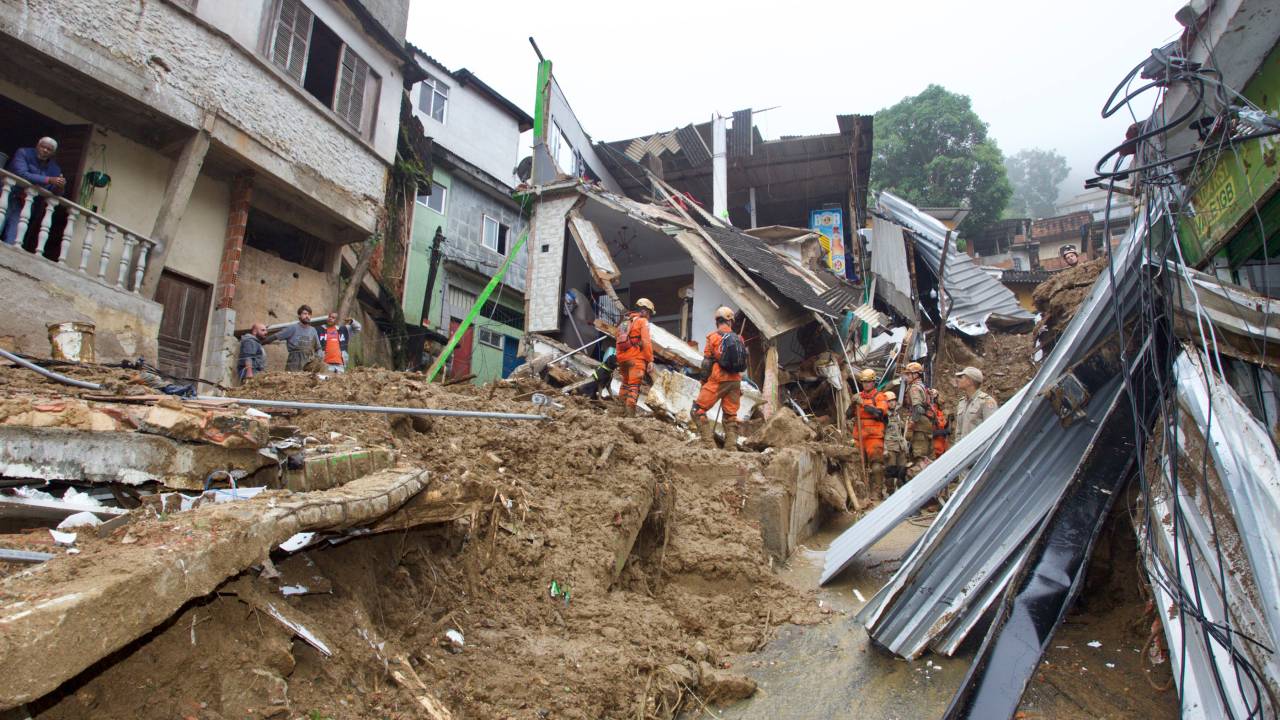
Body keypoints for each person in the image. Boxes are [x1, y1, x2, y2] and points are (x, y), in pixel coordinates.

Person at [693, 306, 746, 451]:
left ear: (717, 321)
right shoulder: (739, 338)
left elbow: (707, 363)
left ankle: (709, 446)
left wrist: (704, 381)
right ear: (730, 321)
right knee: (730, 416)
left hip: (718, 380)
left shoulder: (713, 337)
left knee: (697, 410)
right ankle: (731, 448)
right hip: (735, 382)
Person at [3, 137, 65, 246]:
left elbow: (54, 192)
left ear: (53, 153)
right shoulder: (23, 153)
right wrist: (48, 179)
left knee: (14, 237)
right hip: (6, 195)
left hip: (24, 203)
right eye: (43, 147)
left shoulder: (54, 168)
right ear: (37, 146)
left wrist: (59, 186)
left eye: (49, 149)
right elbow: (21, 173)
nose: (45, 150)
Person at [615, 298, 655, 417]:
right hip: (636, 359)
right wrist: (650, 360)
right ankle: (630, 416)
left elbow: (618, 341)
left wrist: (620, 357)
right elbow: (646, 341)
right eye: (650, 313)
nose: (649, 316)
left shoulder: (625, 322)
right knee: (633, 386)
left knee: (625, 384)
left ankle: (619, 410)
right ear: (646, 311)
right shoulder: (642, 322)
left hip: (622, 359)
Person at [852, 367, 890, 488]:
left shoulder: (880, 396)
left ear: (873, 382)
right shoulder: (858, 396)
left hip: (874, 437)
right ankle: (862, 491)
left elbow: (879, 413)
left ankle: (877, 491)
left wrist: (863, 404)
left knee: (876, 466)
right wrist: (853, 402)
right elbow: (848, 415)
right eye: (863, 382)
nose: (866, 384)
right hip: (859, 436)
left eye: (868, 382)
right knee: (857, 464)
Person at [901, 361, 935, 475]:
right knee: (927, 459)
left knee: (919, 459)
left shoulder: (914, 388)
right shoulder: (922, 386)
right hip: (926, 426)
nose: (906, 377)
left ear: (915, 375)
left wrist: (911, 424)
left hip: (919, 428)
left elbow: (918, 409)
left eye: (908, 374)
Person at [952, 366, 999, 443]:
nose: (958, 380)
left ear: (970, 381)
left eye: (961, 377)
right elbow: (958, 432)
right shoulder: (962, 402)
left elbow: (992, 431)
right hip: (963, 451)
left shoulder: (986, 402)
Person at [267, 305, 321, 372]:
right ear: (299, 316)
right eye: (305, 314)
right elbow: (275, 336)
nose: (307, 316)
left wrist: (318, 358)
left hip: (308, 363)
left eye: (309, 314)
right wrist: (261, 341)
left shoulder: (313, 330)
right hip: (294, 362)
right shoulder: (292, 328)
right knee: (292, 380)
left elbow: (318, 348)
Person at [882, 391, 909, 488]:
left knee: (903, 471)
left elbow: (900, 431)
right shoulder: (884, 417)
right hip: (890, 448)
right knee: (890, 472)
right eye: (889, 401)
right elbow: (881, 434)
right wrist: (884, 449)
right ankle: (890, 493)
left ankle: (902, 491)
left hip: (900, 447)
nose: (892, 403)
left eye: (893, 400)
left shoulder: (896, 415)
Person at [930, 388, 951, 458]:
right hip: (934, 448)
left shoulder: (938, 412)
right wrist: (944, 432)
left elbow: (943, 426)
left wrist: (949, 421)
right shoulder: (930, 412)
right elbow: (930, 433)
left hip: (942, 446)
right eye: (937, 397)